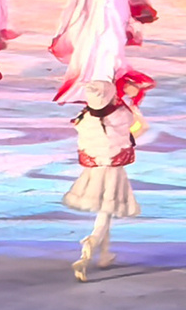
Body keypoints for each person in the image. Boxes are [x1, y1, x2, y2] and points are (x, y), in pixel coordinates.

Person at [63, 77, 143, 281]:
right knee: (106, 211)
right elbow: (139, 127)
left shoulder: (84, 119)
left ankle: (105, 254)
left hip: (94, 170)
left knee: (106, 210)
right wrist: (133, 103)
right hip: (112, 171)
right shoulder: (121, 116)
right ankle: (90, 245)